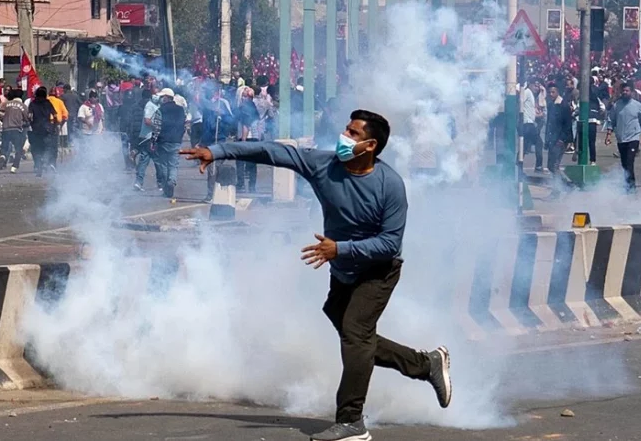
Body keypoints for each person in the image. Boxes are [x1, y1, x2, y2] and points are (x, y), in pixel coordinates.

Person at [179, 110, 451, 441]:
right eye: (346, 129)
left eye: (352, 133)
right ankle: (426, 364)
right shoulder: (324, 165)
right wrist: (218, 151)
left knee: (355, 333)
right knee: (354, 336)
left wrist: (342, 249)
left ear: (370, 145)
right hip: (342, 268)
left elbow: (390, 243)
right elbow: (273, 152)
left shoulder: (390, 185)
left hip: (378, 270)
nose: (344, 136)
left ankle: (351, 421)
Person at [604, 82, 641, 192]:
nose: (625, 92)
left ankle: (631, 188)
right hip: (621, 138)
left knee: (629, 162)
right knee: (624, 164)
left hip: (633, 138)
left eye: (627, 91)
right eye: (623, 91)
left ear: (632, 92)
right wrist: (608, 135)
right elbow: (611, 121)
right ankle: (626, 184)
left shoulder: (637, 105)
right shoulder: (616, 105)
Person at [154, 87, 186, 197]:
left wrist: (153, 140)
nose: (161, 99)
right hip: (176, 140)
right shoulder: (181, 109)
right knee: (173, 165)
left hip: (163, 141)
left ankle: (166, 189)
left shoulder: (160, 110)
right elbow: (184, 124)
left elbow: (157, 127)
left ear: (167, 97)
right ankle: (171, 181)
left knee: (163, 165)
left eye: (162, 97)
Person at [134, 89, 167, 192]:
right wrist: (157, 126)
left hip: (150, 137)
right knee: (156, 161)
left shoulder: (155, 106)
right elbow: (147, 121)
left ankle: (139, 182)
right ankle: (159, 183)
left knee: (145, 160)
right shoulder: (150, 106)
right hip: (149, 138)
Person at [544, 83, 574, 179]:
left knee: (554, 165)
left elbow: (568, 124)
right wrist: (547, 140)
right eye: (549, 92)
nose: (551, 94)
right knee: (550, 165)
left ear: (558, 92)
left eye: (553, 92)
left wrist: (562, 139)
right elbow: (549, 123)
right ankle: (561, 186)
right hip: (552, 139)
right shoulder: (550, 105)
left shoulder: (563, 105)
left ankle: (562, 187)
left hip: (560, 140)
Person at [28, 87, 58, 177]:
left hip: (36, 130)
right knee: (47, 147)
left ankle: (38, 164)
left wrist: (31, 124)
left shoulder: (32, 104)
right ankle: (45, 161)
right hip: (47, 129)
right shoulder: (48, 103)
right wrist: (54, 126)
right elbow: (55, 115)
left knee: (36, 148)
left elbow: (29, 116)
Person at [0, 89, 29, 173]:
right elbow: (27, 118)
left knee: (4, 146)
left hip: (6, 129)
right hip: (17, 130)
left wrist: (3, 120)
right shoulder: (23, 106)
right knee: (18, 149)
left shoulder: (6, 104)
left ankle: (3, 156)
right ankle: (14, 166)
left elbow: (0, 114)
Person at [519, 79, 543, 173]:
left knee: (524, 147)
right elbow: (520, 101)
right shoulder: (527, 92)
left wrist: (536, 115)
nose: (537, 88)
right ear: (530, 84)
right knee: (539, 143)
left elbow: (527, 109)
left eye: (538, 86)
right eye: (536, 85)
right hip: (528, 124)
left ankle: (519, 167)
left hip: (529, 123)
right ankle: (538, 166)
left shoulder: (531, 94)